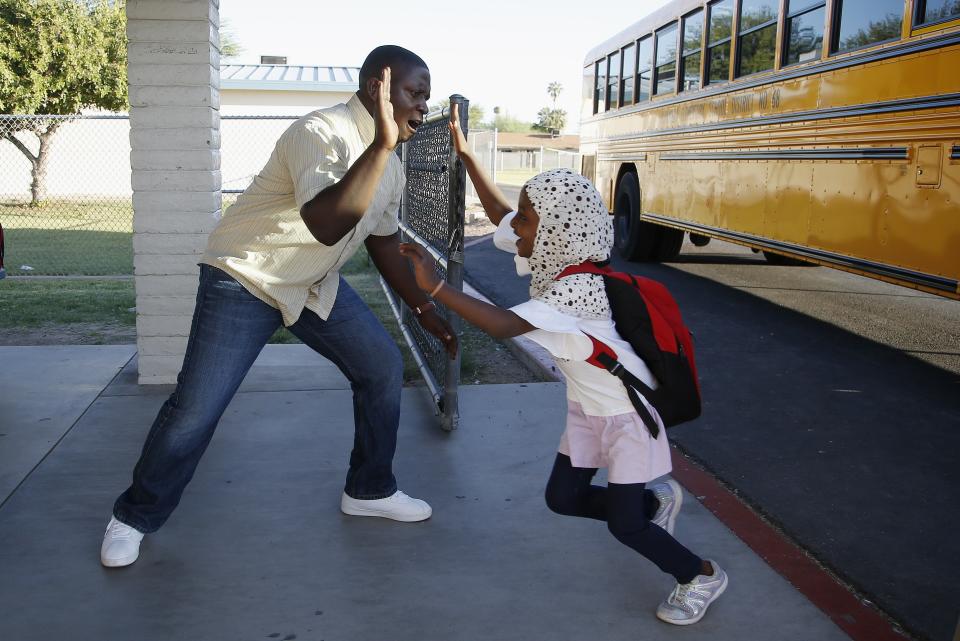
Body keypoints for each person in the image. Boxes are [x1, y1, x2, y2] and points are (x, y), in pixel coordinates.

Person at [100, 45, 458, 568]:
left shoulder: (393, 169)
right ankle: (132, 517)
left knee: (380, 367)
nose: (422, 107)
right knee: (197, 408)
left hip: (311, 284)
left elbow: (382, 244)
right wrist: (381, 146)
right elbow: (325, 222)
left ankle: (369, 489)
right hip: (246, 274)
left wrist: (425, 309)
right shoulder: (318, 133)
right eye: (413, 93)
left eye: (426, 96)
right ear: (377, 89)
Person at [398, 106, 727, 625]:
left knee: (625, 528)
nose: (514, 230)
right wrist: (467, 156)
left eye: (529, 221)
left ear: (554, 229)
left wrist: (435, 288)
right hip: (588, 410)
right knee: (563, 497)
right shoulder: (557, 252)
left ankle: (700, 574)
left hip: (626, 416)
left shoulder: (576, 289)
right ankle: (650, 503)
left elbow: (503, 326)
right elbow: (505, 215)